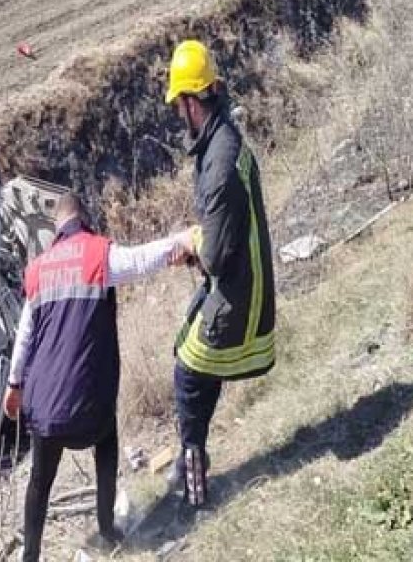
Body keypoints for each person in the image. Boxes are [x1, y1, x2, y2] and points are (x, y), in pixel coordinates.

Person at [2, 195, 193, 562]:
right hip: (89, 407)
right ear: (84, 220)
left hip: (43, 406)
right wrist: (179, 243)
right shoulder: (97, 252)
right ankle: (107, 528)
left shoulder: (38, 270)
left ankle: (30, 555)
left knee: (39, 482)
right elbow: (139, 260)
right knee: (106, 444)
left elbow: (24, 336)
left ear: (55, 229)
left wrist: (14, 387)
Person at [164, 39, 277, 511]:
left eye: (178, 105)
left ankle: (194, 495)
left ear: (191, 102)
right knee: (190, 354)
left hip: (241, 300)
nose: (178, 114)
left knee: (188, 377)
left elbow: (216, 256)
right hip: (242, 285)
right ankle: (189, 461)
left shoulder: (219, 167)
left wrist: (192, 245)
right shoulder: (224, 140)